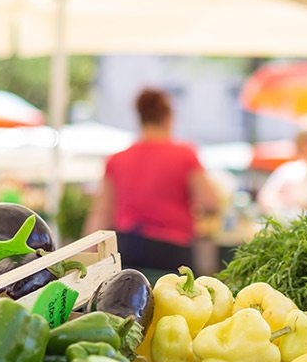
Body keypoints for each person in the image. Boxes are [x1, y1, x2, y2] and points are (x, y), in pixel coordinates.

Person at [87, 88, 218, 271]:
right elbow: (210, 202)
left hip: (127, 246)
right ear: (168, 118)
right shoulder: (185, 155)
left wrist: (89, 257)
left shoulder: (117, 159)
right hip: (172, 248)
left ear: (140, 118)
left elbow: (101, 213)